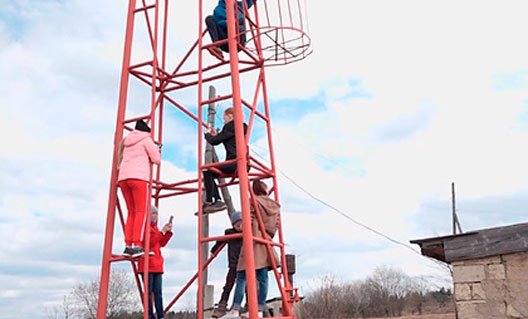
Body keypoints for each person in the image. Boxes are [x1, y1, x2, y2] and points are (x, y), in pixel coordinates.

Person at [221, 179, 280, 318]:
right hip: (265, 241)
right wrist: (267, 234)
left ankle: (235, 308)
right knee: (263, 277)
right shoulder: (274, 206)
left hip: (252, 241)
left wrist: (251, 231)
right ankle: (259, 308)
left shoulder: (252, 201)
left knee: (241, 276)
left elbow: (248, 219)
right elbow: (275, 225)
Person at [118, 119, 161, 257]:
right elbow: (156, 159)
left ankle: (128, 244)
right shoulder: (146, 139)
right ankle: (137, 244)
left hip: (124, 178)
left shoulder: (126, 141)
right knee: (141, 212)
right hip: (139, 178)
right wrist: (157, 150)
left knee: (131, 212)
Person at [202, 107, 248, 214]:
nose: (224, 121)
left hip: (234, 162)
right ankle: (216, 200)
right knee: (211, 173)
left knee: (207, 172)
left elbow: (214, 141)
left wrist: (207, 134)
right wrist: (217, 135)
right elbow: (225, 138)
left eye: (224, 118)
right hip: (242, 163)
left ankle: (211, 201)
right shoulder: (241, 127)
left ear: (230, 117)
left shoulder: (230, 126)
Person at [137, 205, 173, 319]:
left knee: (158, 292)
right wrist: (162, 232)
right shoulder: (144, 228)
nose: (155, 216)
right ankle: (149, 315)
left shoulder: (154, 228)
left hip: (157, 264)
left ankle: (160, 315)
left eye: (156, 214)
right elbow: (150, 242)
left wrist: (167, 232)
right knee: (148, 293)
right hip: (147, 264)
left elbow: (161, 243)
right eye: (153, 213)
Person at [210, 211, 243, 318]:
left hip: (244, 264)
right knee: (228, 285)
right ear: (233, 225)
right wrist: (213, 251)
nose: (240, 226)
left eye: (241, 223)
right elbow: (220, 241)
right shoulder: (229, 233)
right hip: (234, 264)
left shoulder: (247, 232)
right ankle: (222, 306)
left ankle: (249, 306)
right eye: (237, 224)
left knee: (246, 286)